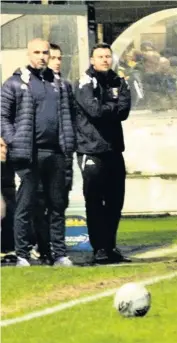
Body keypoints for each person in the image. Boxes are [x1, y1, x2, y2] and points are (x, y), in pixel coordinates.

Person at [0, 38, 75, 267]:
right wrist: (13, 141)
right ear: (28, 54)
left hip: (56, 153)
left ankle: (59, 253)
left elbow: (68, 116)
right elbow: (3, 116)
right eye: (37, 52)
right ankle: (22, 254)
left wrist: (68, 145)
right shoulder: (14, 83)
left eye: (45, 53)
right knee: (25, 206)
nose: (42, 56)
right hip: (28, 155)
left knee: (57, 205)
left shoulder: (60, 85)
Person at [74, 43, 132, 264]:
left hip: (114, 149)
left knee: (115, 201)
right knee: (95, 202)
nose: (104, 60)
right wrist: (112, 106)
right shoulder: (85, 82)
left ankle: (111, 246)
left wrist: (107, 106)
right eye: (100, 56)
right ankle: (99, 249)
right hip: (91, 149)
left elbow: (124, 111)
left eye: (107, 56)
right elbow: (94, 111)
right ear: (92, 59)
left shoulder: (119, 81)